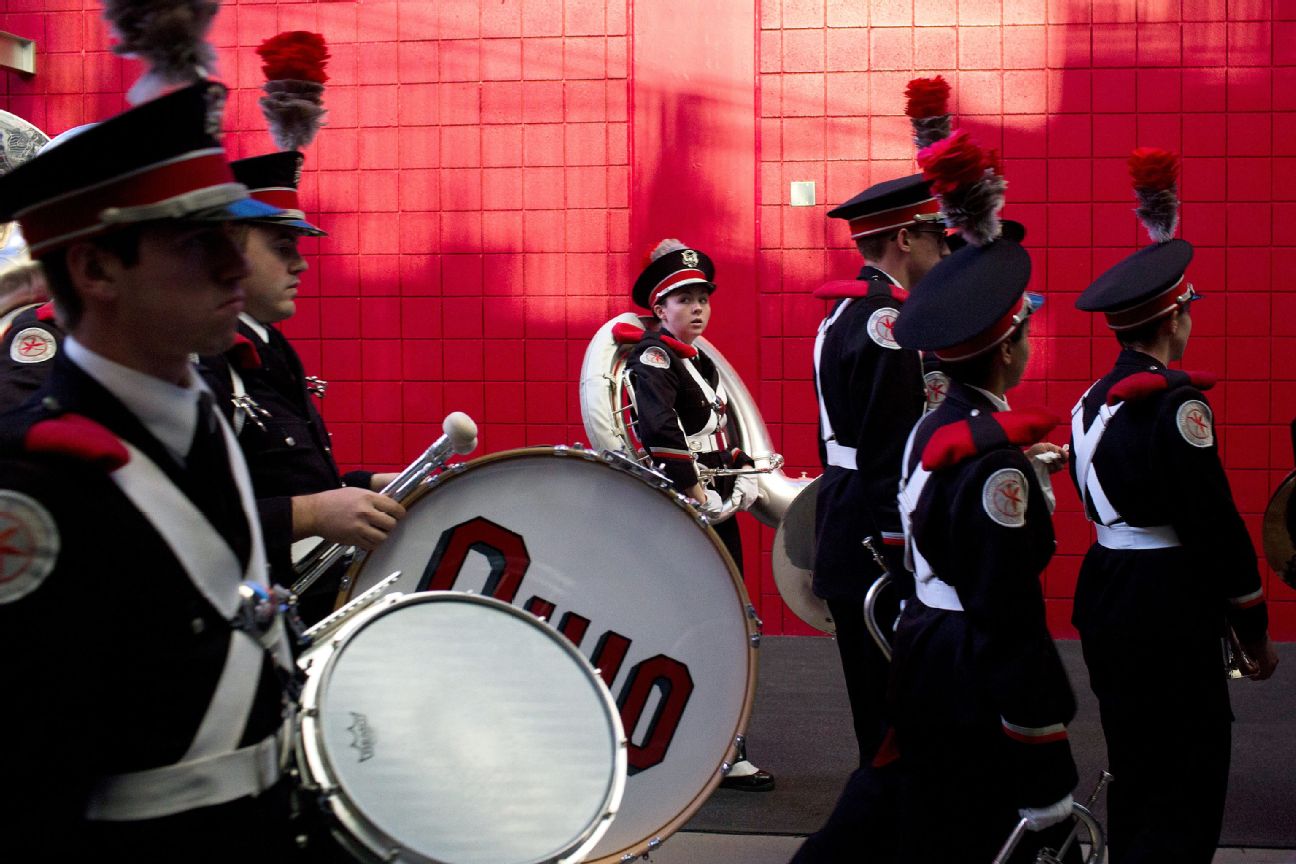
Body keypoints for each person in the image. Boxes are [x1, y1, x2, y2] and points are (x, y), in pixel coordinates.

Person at [0, 82, 317, 861]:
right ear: (97, 269)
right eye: (195, 242)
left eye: (230, 237)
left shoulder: (205, 416)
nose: (231, 264)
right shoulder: (33, 484)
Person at [1069, 148, 1278, 863]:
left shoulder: (1088, 401)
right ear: (1173, 319)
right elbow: (1214, 525)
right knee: (1189, 779)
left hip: (1106, 591)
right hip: (1168, 605)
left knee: (1136, 767)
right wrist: (1252, 627)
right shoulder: (1178, 407)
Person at [890, 137, 1080, 859]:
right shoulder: (992, 459)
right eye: (1026, 330)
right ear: (1009, 349)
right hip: (972, 662)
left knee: (938, 820)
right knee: (984, 829)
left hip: (926, 647)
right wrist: (1044, 763)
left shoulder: (935, 427)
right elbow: (1008, 618)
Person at [198, 151, 403, 626]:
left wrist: (367, 486)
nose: (301, 266)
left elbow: (274, 477)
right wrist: (310, 514)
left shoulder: (267, 345)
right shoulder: (204, 356)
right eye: (282, 247)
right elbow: (190, 516)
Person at [626, 239, 773, 791]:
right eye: (683, 299)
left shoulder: (698, 360)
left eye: (702, 299)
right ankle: (710, 751)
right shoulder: (655, 357)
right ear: (659, 308)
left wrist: (739, 466)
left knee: (723, 624)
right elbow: (661, 434)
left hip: (712, 506)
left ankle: (716, 746)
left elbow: (706, 432)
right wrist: (696, 492)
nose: (697, 308)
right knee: (705, 625)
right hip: (687, 513)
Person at [812, 173, 947, 766]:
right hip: (873, 526)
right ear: (904, 240)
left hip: (851, 515)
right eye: (936, 239)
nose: (945, 253)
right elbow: (888, 448)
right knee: (896, 724)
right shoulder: (883, 323)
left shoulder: (855, 309)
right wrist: (903, 550)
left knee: (887, 716)